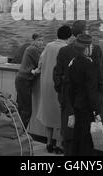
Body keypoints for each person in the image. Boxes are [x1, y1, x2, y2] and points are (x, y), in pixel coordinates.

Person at [53, 20, 103, 156]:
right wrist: (98, 105)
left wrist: (63, 94)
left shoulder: (64, 50)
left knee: (70, 136)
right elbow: (100, 79)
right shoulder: (95, 50)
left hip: (70, 101)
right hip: (88, 104)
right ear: (85, 32)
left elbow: (57, 76)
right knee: (87, 140)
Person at [36, 25, 72, 154]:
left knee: (48, 112)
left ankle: (49, 142)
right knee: (60, 113)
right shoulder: (66, 48)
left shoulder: (49, 46)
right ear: (69, 36)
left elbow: (40, 63)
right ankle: (59, 144)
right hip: (58, 85)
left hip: (45, 82)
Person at [67, 34, 101, 156]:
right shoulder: (89, 65)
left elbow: (69, 88)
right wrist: (97, 111)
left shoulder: (72, 63)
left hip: (76, 105)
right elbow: (91, 90)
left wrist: (72, 105)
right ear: (86, 48)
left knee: (77, 137)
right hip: (87, 107)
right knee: (87, 140)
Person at [15, 33, 44, 129]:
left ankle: (16, 131)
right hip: (24, 81)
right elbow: (42, 62)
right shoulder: (33, 49)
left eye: (42, 40)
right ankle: (22, 133)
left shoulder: (30, 48)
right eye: (39, 40)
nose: (41, 43)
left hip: (21, 80)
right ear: (33, 41)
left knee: (20, 108)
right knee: (27, 110)